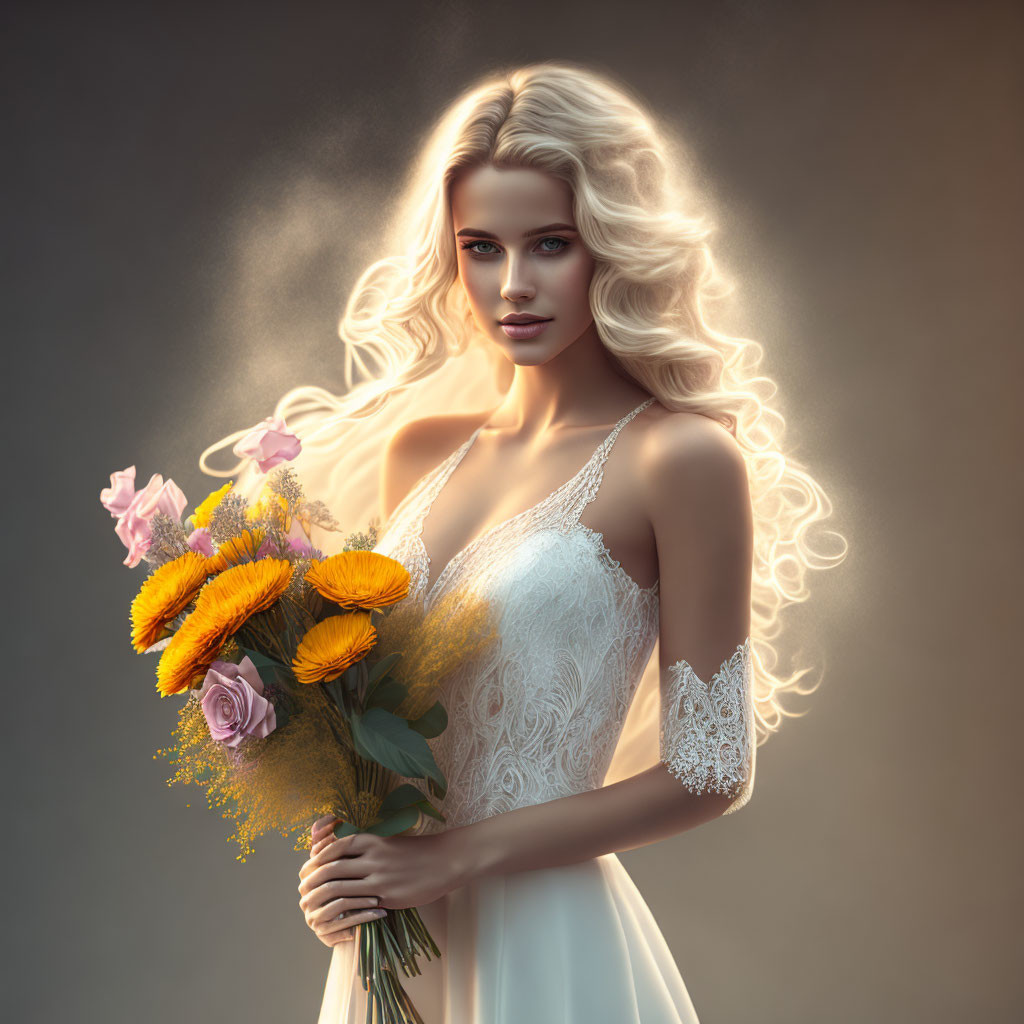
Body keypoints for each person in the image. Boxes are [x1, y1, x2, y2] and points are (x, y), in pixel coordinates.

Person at [207, 61, 843, 1023]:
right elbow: (386, 716)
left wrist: (453, 856)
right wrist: (344, 864)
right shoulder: (420, 454)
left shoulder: (681, 459)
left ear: (612, 247)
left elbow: (712, 769)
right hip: (400, 942)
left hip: (552, 940)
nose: (513, 285)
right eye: (481, 247)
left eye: (550, 244)